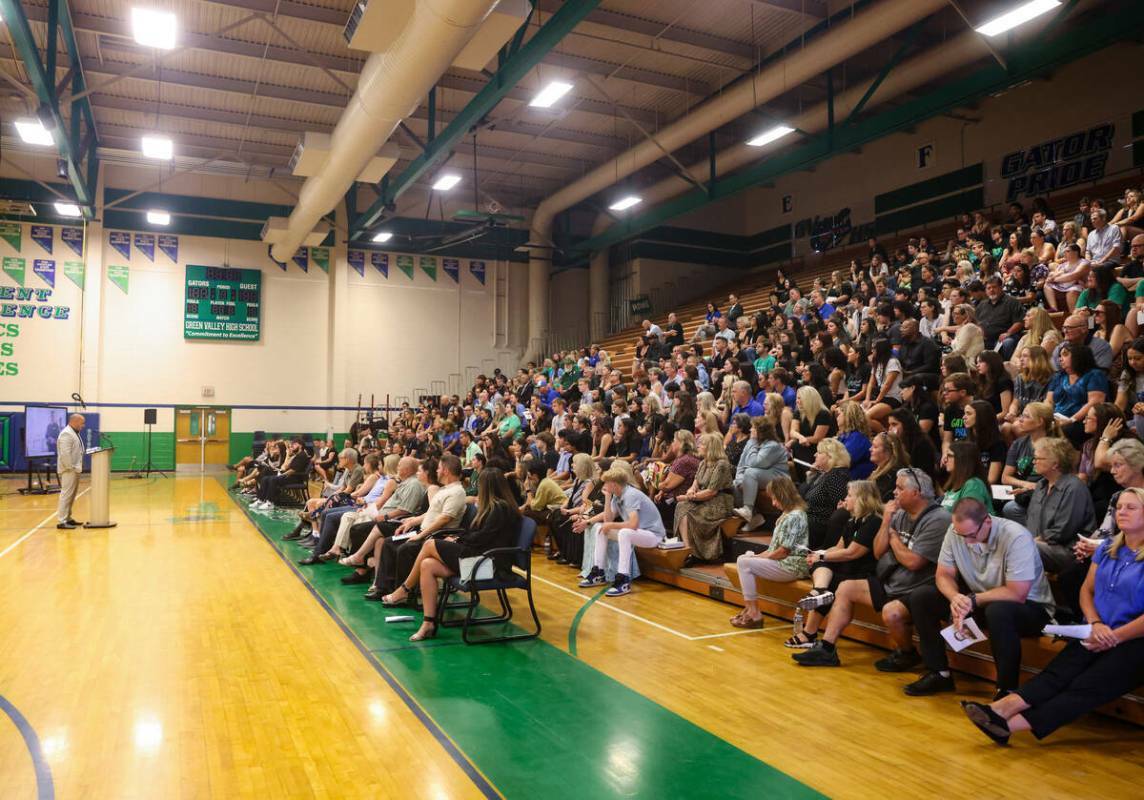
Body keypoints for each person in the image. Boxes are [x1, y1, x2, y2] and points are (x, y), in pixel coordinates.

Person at [961, 487, 1144, 744]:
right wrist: (1095, 622)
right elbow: (1086, 591)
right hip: (1098, 629)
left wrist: (1113, 636)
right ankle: (1003, 708)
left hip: (1135, 639)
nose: (1121, 512)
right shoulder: (1107, 549)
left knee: (1088, 685)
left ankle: (1009, 725)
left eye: (1131, 507)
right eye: (1120, 507)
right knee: (1060, 670)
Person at [903, 497, 1055, 696]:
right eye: (961, 534)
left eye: (972, 535)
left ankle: (1007, 689)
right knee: (922, 596)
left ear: (988, 522)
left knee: (998, 611)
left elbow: (1017, 593)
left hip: (1030, 606)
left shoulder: (1016, 537)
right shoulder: (955, 532)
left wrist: (973, 600)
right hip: (982, 600)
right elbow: (943, 574)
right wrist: (955, 598)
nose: (966, 541)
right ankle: (939, 673)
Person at [382, 468, 522, 642]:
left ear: (488, 486)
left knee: (429, 544)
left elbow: (480, 538)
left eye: (480, 484)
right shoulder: (492, 507)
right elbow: (476, 536)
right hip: (480, 560)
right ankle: (429, 623)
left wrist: (457, 540)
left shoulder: (500, 509)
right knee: (427, 565)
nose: (477, 487)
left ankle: (405, 589)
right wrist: (458, 538)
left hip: (488, 567)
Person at [790, 481, 883, 663]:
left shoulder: (873, 522)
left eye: (849, 495)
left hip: (861, 573)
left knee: (828, 575)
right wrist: (818, 554)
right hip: (846, 569)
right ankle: (820, 591)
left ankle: (809, 633)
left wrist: (823, 557)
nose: (845, 499)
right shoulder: (852, 521)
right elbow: (838, 547)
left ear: (861, 499)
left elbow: (852, 553)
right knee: (820, 565)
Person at [731, 476, 810, 630]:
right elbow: (774, 549)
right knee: (745, 559)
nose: (773, 503)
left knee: (744, 561)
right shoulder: (787, 515)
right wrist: (755, 557)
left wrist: (755, 558)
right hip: (784, 562)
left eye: (775, 498)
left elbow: (783, 551)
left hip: (793, 565)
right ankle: (750, 609)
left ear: (783, 496)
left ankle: (753, 612)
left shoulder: (796, 516)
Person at [578, 465, 666, 597]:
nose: (604, 485)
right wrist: (607, 498)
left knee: (625, 533)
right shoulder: (617, 496)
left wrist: (611, 525)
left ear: (613, 484)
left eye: (606, 482)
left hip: (653, 535)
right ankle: (598, 572)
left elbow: (633, 524)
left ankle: (623, 579)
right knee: (601, 529)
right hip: (639, 533)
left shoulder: (630, 495)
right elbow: (608, 520)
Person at [1025, 437, 1095, 578]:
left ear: (1055, 464)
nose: (1034, 462)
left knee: (1023, 548)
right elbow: (1031, 521)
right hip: (1042, 545)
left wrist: (1030, 541)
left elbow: (1063, 531)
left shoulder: (1074, 488)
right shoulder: (1041, 485)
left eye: (1039, 458)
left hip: (1069, 550)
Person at [673, 433, 735, 564]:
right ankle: (687, 548)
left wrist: (689, 497)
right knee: (681, 506)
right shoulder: (703, 463)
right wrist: (690, 491)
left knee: (690, 512)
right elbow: (695, 483)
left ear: (710, 447)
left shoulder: (721, 465)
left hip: (719, 502)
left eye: (701, 444)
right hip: (703, 498)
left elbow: (712, 492)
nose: (698, 446)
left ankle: (700, 553)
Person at [1046, 343, 1109, 445]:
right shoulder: (1059, 376)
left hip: (1082, 421)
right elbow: (1048, 401)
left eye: (1065, 355)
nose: (1060, 359)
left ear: (1078, 355)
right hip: (1057, 418)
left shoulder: (1095, 374)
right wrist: (1047, 417)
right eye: (1060, 356)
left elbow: (1095, 402)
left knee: (1066, 429)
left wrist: (1072, 419)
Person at [731, 417, 789, 529]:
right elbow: (741, 463)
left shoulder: (773, 445)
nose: (750, 430)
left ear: (760, 431)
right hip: (761, 474)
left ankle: (748, 509)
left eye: (753, 428)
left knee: (750, 472)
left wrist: (752, 442)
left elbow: (755, 463)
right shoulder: (751, 442)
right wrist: (739, 479)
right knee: (734, 484)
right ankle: (754, 517)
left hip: (778, 476)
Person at [801, 438, 852, 550]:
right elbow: (803, 494)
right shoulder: (825, 473)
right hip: (810, 519)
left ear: (830, 456)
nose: (815, 455)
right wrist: (811, 475)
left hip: (819, 524)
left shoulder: (837, 476)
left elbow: (839, 507)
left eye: (819, 452)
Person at [940, 441, 991, 511]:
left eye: (949, 456)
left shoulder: (974, 485)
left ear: (962, 459)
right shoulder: (953, 485)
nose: (945, 460)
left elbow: (970, 517)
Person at [55, 413, 86, 529]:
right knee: (66, 494)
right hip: (69, 469)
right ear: (76, 421)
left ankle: (68, 518)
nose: (83, 426)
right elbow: (65, 453)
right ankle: (62, 521)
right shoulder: (66, 433)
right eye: (82, 423)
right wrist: (70, 467)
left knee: (72, 495)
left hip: (74, 469)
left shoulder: (74, 432)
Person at [835, 400, 874, 479]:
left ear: (848, 415)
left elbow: (843, 461)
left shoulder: (858, 438)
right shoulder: (844, 435)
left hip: (855, 483)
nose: (836, 418)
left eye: (838, 414)